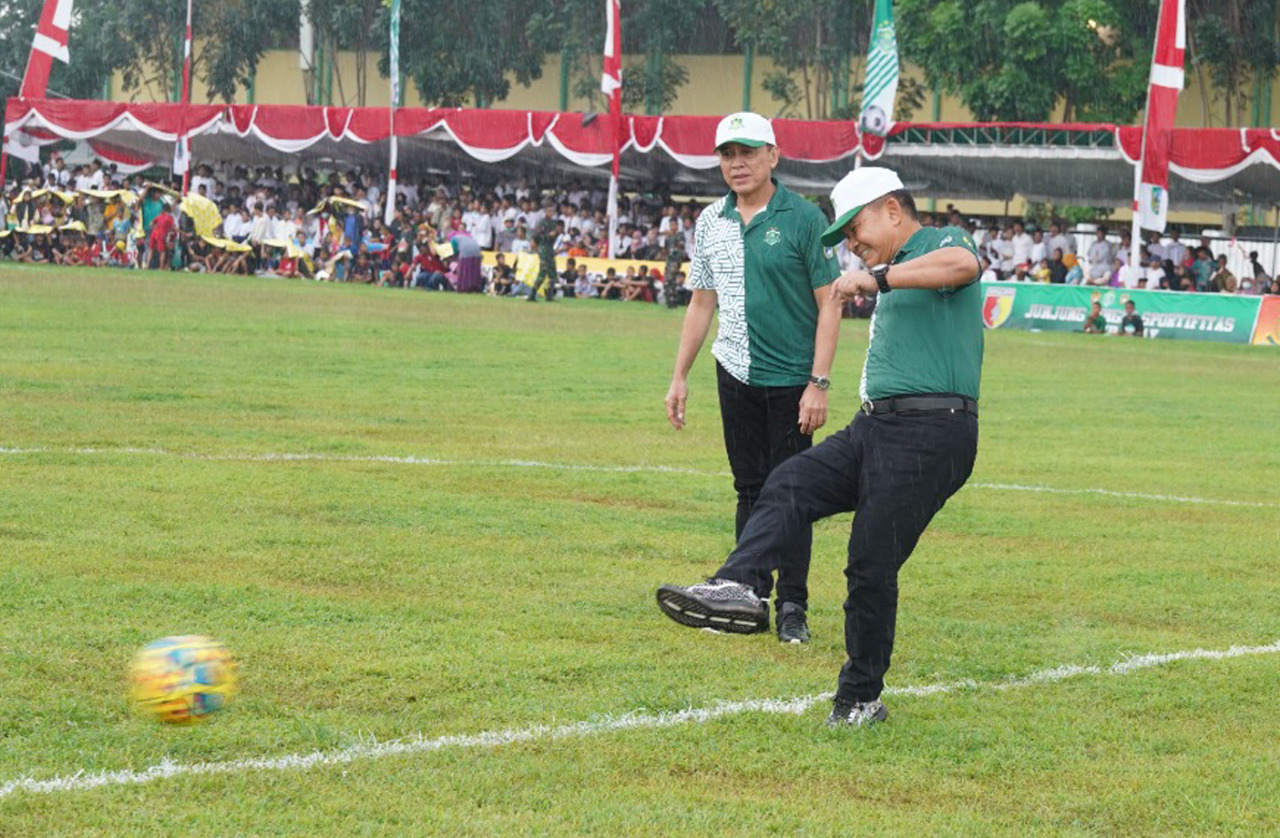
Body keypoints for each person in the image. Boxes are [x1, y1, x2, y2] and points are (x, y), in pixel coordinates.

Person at [657, 166, 983, 726]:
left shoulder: (939, 243)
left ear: (892, 209)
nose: (853, 246)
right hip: (875, 427)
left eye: (855, 231)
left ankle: (860, 699)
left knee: (869, 561)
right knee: (790, 481)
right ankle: (741, 584)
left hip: (932, 428)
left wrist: (880, 280)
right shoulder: (894, 267)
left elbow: (966, 266)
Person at [661, 112, 843, 645]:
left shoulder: (806, 219)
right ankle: (748, 596)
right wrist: (679, 377)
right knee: (749, 488)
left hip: (792, 379)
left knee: (795, 492)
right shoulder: (710, 221)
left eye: (747, 152)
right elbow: (701, 303)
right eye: (727, 154)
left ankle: (794, 606)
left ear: (772, 155)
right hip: (734, 371)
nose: (736, 163)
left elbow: (829, 304)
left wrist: (820, 381)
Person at [527, 216, 562, 301]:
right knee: (543, 272)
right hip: (544, 251)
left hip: (550, 251)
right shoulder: (543, 227)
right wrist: (548, 235)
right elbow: (537, 237)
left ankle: (549, 295)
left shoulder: (557, 233)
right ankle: (532, 294)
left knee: (553, 274)